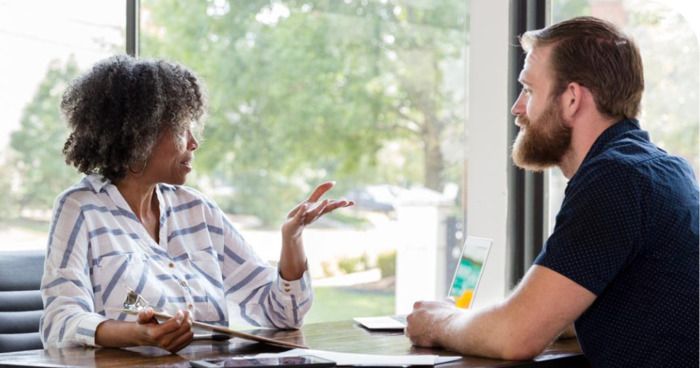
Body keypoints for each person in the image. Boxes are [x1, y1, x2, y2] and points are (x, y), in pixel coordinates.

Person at [405, 16, 698, 367]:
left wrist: (439, 321)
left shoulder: (615, 179)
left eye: (528, 90)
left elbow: (517, 337)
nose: (517, 108)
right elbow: (609, 308)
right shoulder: (663, 170)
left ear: (572, 99)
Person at [40, 55, 353, 353]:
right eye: (181, 128)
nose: (193, 142)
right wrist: (139, 335)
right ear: (140, 135)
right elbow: (60, 322)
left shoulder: (197, 210)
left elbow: (283, 315)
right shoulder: (80, 208)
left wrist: (292, 239)